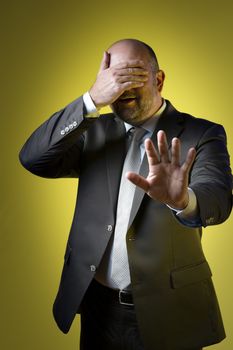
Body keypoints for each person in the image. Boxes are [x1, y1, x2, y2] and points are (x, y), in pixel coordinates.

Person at [19, 39, 232, 350]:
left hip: (169, 312)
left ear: (158, 79)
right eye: (115, 79)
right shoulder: (91, 131)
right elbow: (33, 158)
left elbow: (218, 199)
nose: (123, 89)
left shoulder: (203, 134)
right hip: (98, 309)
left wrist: (183, 200)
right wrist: (90, 100)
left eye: (133, 75)